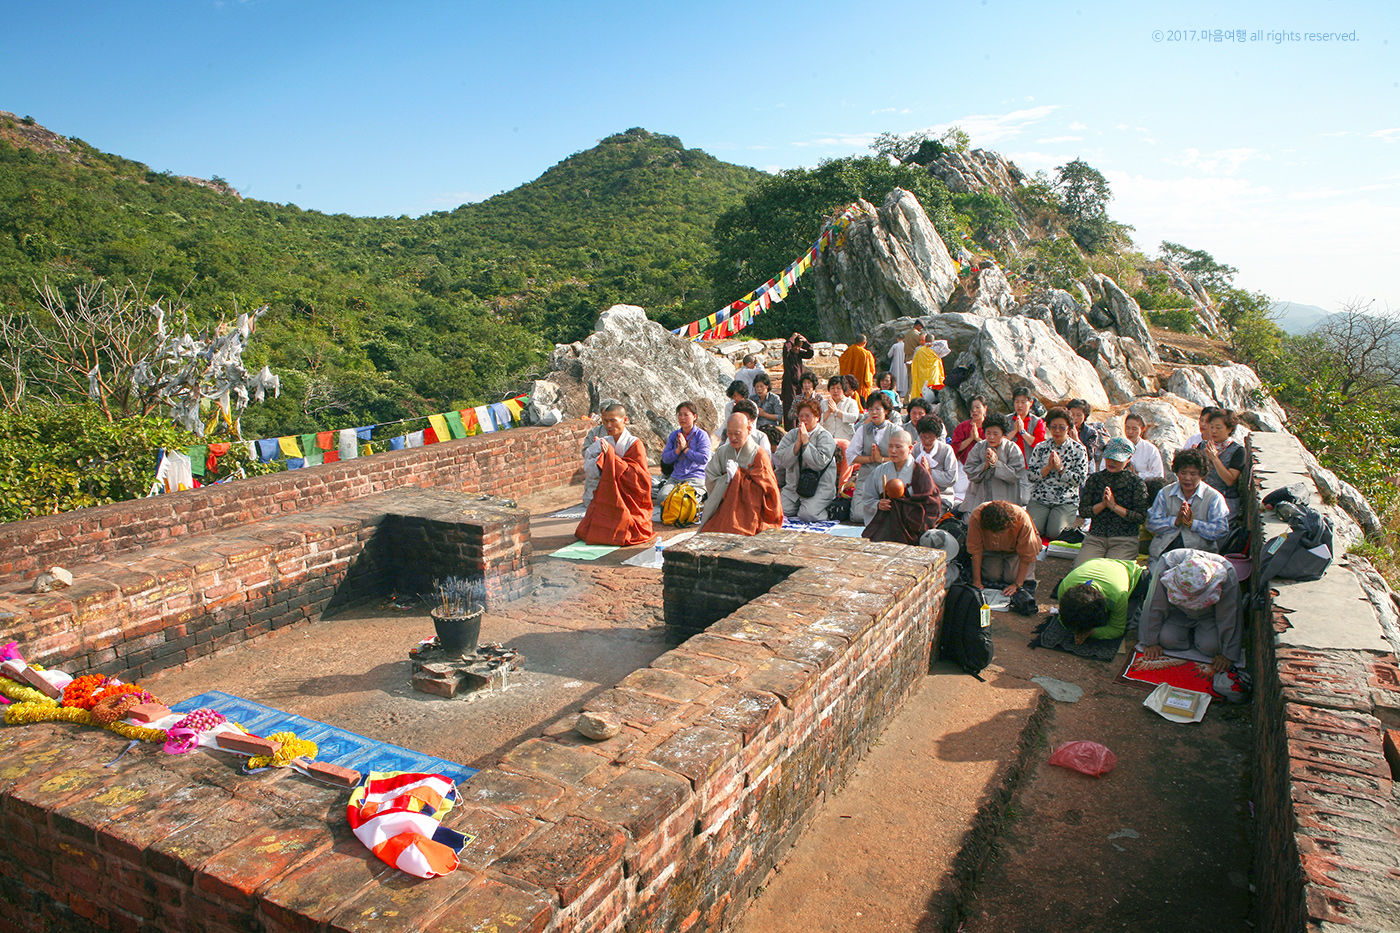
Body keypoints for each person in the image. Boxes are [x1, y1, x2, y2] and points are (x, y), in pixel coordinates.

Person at [1139, 549, 1242, 674]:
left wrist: (1228, 654)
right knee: (1168, 639)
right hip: (1178, 612)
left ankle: (1200, 638)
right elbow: (1155, 603)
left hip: (1209, 615)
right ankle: (1190, 636)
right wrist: (1150, 642)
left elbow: (1229, 613)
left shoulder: (1227, 572)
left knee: (1211, 647)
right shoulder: (1167, 563)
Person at [575, 403, 655, 546]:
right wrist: (602, 459)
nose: (608, 425)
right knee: (586, 531)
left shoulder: (635, 444)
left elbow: (640, 479)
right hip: (609, 491)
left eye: (613, 420)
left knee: (629, 531)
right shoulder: (604, 441)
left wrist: (611, 457)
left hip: (630, 498)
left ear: (625, 420)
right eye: (605, 421)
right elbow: (589, 467)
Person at [701, 411, 783, 535]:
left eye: (737, 434)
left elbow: (768, 491)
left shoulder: (759, 455)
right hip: (725, 505)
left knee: (733, 530)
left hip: (750, 510)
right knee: (710, 531)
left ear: (749, 429)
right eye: (729, 433)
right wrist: (726, 481)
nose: (733, 438)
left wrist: (738, 478)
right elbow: (710, 477)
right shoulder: (723, 452)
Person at [1145, 448, 1231, 561]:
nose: (1187, 478)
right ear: (1177, 473)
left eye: (1193, 474)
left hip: (1199, 556)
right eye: (1183, 473)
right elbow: (1151, 524)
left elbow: (1221, 530)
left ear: (1201, 474)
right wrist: (1175, 521)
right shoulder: (1165, 493)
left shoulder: (1213, 497)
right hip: (1164, 552)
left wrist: (1192, 524)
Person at [1076, 437, 1151, 565]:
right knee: (1082, 569)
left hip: (1124, 539)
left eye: (1117, 459)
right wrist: (1103, 505)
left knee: (1110, 573)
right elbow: (1083, 511)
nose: (1111, 462)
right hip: (1096, 537)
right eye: (1109, 457)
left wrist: (1114, 506)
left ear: (1128, 458)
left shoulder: (1136, 483)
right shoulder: (1095, 479)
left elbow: (1140, 517)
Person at [862, 429, 941, 544]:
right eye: (890, 446)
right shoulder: (880, 471)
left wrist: (915, 517)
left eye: (898, 447)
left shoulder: (920, 473)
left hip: (910, 528)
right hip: (884, 525)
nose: (893, 451)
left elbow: (932, 505)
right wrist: (878, 504)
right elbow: (867, 497)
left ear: (910, 449)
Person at [1026, 407, 1089, 541]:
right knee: (1031, 529)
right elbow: (1030, 475)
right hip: (1041, 498)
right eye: (1053, 427)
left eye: (1062, 427)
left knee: (1055, 533)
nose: (1057, 431)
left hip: (1065, 500)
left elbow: (1080, 479)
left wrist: (1061, 468)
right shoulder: (1041, 447)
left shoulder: (1078, 450)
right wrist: (1047, 468)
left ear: (1069, 427)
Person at [774, 399, 839, 522]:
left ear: (817, 418)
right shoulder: (792, 435)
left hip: (819, 486)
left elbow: (819, 463)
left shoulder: (825, 436)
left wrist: (806, 443)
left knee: (807, 515)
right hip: (794, 486)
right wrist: (797, 444)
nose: (803, 419)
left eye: (808, 416)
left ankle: (828, 511)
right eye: (801, 416)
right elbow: (780, 458)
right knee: (778, 511)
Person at [1056, 557, 1146, 644]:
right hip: (1098, 563)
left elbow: (1117, 629)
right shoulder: (1064, 587)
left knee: (1130, 622)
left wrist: (1090, 633)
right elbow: (1061, 618)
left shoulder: (1117, 596)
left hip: (1129, 572)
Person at [967, 500, 1040, 599]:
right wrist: (977, 582)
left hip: (1015, 552)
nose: (996, 535)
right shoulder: (976, 516)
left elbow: (1027, 554)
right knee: (991, 576)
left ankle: (1026, 571)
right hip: (990, 551)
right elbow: (975, 550)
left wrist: (1017, 584)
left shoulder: (1022, 519)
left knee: (1011, 577)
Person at [962, 413, 1028, 515]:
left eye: (995, 434)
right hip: (980, 497)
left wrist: (996, 464)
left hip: (1006, 499)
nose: (991, 437)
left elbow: (1016, 474)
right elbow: (970, 470)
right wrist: (985, 465)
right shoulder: (979, 447)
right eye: (988, 433)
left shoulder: (1012, 448)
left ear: (1003, 434)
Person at [848, 394, 898, 524]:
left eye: (878, 409)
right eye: (870, 409)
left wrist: (881, 459)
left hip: (889, 478)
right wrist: (870, 458)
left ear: (886, 411)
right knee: (857, 516)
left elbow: (902, 459)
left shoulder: (896, 431)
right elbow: (851, 455)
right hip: (867, 476)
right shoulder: (863, 430)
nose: (874, 412)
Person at [1198, 409, 1246, 517]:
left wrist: (1215, 459)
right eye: (1211, 427)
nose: (1214, 431)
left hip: (1225, 501)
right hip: (1202, 497)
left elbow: (1230, 480)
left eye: (1218, 428)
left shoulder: (1238, 451)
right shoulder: (1202, 446)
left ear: (1229, 429)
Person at [659, 401, 711, 500]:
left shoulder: (701, 435)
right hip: (676, 478)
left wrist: (686, 450)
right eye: (680, 415)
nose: (682, 418)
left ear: (694, 416)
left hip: (695, 477)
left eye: (686, 415)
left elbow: (704, 458)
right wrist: (678, 450)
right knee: (663, 497)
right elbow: (665, 459)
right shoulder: (674, 435)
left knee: (684, 500)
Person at [822, 375, 861, 487]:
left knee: (846, 466)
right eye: (833, 388)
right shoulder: (824, 404)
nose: (835, 391)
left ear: (843, 389)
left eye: (838, 388)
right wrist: (829, 412)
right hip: (829, 440)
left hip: (846, 441)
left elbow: (854, 417)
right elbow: (818, 420)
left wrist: (836, 411)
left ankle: (842, 487)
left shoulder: (850, 402)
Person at [915, 415, 959, 502]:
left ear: (937, 436)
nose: (927, 441)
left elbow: (951, 478)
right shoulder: (915, 449)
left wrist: (930, 471)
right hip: (919, 494)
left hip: (942, 496)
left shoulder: (946, 450)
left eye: (930, 437)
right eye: (923, 437)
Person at [780, 332, 814, 428]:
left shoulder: (799, 354)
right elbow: (786, 348)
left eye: (799, 347)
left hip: (799, 385)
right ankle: (790, 430)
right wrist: (792, 337)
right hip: (789, 385)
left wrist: (805, 342)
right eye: (795, 347)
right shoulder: (788, 355)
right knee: (790, 407)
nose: (797, 349)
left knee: (800, 405)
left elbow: (810, 353)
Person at [1008, 385, 1046, 461]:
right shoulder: (1006, 419)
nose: (1019, 405)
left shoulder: (1037, 421)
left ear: (1031, 403)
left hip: (1030, 464)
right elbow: (999, 441)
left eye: (1023, 402)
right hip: (1010, 464)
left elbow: (1039, 445)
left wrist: (1022, 431)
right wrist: (1014, 431)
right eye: (1017, 402)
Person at [1123, 413, 1165, 480]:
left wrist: (1137, 475)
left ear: (1142, 429)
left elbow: (1158, 474)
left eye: (1134, 429)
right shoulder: (1117, 446)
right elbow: (1104, 467)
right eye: (1127, 428)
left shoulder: (1151, 450)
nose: (1130, 432)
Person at [1067, 398, 1106, 469]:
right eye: (1072, 414)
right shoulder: (1064, 429)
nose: (1075, 418)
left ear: (1085, 416)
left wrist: (1076, 439)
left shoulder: (1091, 433)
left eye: (1079, 415)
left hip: (1085, 467)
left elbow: (1089, 456)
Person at [838, 334, 876, 403]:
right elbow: (872, 370)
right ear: (865, 343)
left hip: (848, 382)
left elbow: (842, 361)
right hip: (861, 383)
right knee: (861, 400)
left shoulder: (848, 351)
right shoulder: (866, 354)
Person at [951, 395, 988, 464]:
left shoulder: (991, 426)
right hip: (964, 464)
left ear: (985, 408)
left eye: (978, 407)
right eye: (972, 408)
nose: (974, 410)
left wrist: (977, 438)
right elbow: (954, 448)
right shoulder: (962, 426)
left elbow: (994, 448)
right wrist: (971, 438)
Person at [751, 373, 785, 446]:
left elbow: (780, 417)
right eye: (757, 387)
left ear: (767, 386)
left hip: (771, 430)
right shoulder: (753, 399)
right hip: (757, 429)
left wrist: (764, 414)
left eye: (761, 387)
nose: (759, 389)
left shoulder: (774, 398)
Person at [909, 334, 944, 403]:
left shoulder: (919, 350)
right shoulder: (936, 350)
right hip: (933, 376)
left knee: (921, 391)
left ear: (925, 340)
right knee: (933, 393)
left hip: (922, 375)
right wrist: (933, 343)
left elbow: (914, 362)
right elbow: (944, 344)